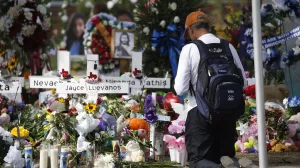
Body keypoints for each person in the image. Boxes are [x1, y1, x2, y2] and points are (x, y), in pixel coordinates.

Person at [174, 10, 247, 168]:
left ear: (191, 30)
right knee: (225, 157)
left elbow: (180, 89)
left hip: (200, 114)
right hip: (228, 114)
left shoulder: (190, 49)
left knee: (198, 161)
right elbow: (244, 83)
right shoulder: (228, 47)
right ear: (208, 27)